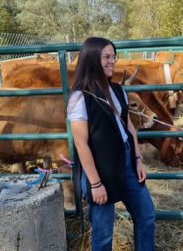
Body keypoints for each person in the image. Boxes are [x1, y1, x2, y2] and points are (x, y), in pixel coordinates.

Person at [67, 37, 156, 251]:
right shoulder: (80, 98)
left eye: (113, 56)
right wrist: (95, 184)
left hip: (127, 162)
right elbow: (81, 144)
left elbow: (129, 129)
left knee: (147, 215)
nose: (112, 61)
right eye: (105, 57)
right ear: (91, 60)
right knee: (103, 232)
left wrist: (137, 159)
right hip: (100, 169)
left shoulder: (118, 91)